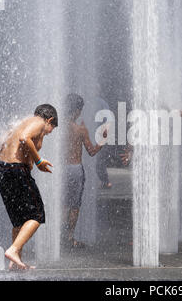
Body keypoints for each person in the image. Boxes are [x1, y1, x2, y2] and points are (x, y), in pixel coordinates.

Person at [0, 104, 58, 270]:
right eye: (52, 128)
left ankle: (16, 262)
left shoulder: (19, 124)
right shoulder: (38, 122)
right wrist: (39, 161)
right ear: (49, 120)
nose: (49, 132)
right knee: (37, 215)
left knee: (19, 221)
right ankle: (14, 250)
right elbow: (24, 137)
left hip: (2, 170)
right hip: (16, 170)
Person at [62, 93, 107, 249]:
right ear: (77, 110)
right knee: (74, 205)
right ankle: (69, 237)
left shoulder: (57, 127)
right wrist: (102, 140)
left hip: (60, 170)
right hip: (75, 169)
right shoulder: (80, 129)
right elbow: (92, 151)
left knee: (62, 203)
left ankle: (57, 234)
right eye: (80, 110)